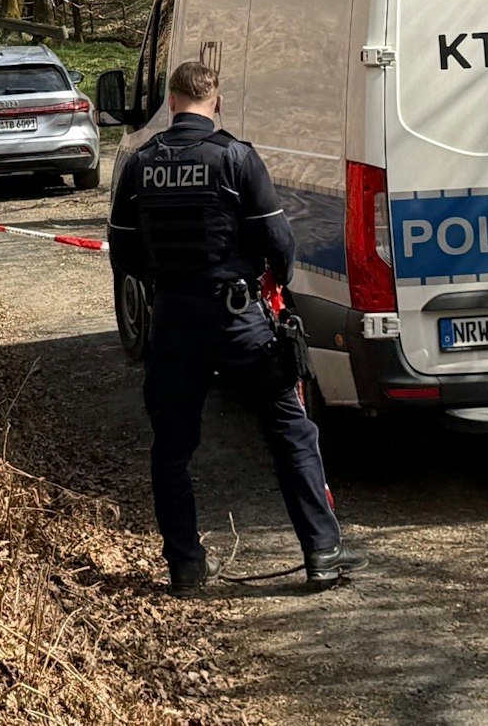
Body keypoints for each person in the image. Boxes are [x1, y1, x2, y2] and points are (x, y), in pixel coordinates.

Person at [108, 61, 363, 595]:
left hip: (173, 321)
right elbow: (280, 244)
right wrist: (270, 280)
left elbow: (124, 251)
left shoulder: (141, 163)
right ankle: (321, 552)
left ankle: (185, 566)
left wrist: (162, 280)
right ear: (216, 103)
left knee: (172, 447)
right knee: (290, 431)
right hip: (237, 318)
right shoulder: (236, 158)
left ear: (171, 102)